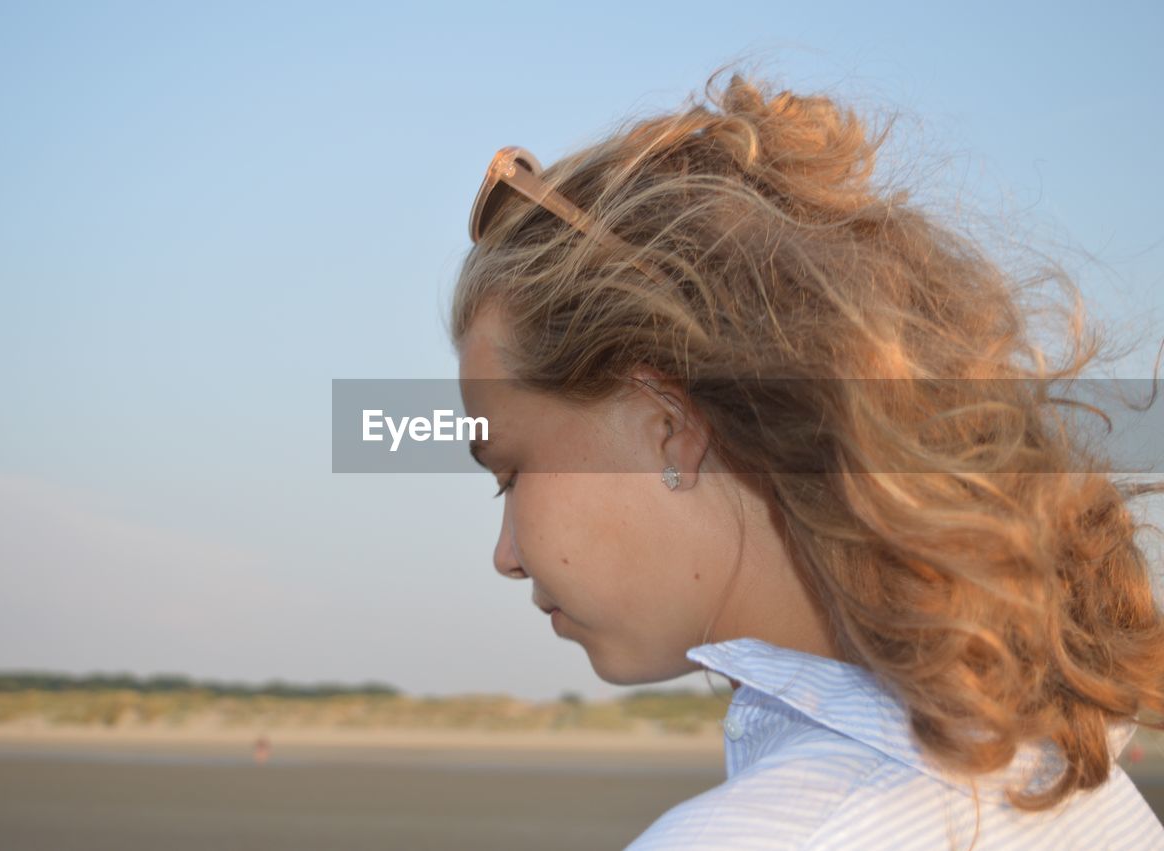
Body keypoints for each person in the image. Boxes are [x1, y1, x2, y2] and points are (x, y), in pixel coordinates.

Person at [451, 61, 1164, 849]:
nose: (506, 555)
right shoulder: (1062, 775)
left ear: (666, 424)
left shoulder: (769, 833)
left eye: (510, 472)